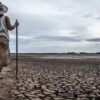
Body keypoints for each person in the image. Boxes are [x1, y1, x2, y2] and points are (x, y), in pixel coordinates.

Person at [0, 2, 19, 79]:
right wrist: (15, 25)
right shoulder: (5, 18)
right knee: (1, 58)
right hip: (3, 39)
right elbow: (10, 28)